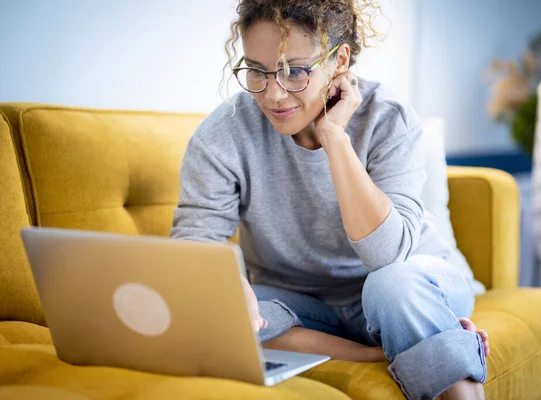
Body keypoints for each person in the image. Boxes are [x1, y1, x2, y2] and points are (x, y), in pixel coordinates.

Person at [171, 1, 489, 399]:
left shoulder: (387, 117)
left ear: (339, 61)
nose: (273, 94)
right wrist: (221, 285)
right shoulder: (222, 134)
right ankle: (376, 351)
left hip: (406, 284)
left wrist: (335, 139)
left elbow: (387, 256)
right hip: (300, 305)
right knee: (202, 316)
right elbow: (193, 243)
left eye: (294, 71)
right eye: (256, 71)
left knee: (391, 285)